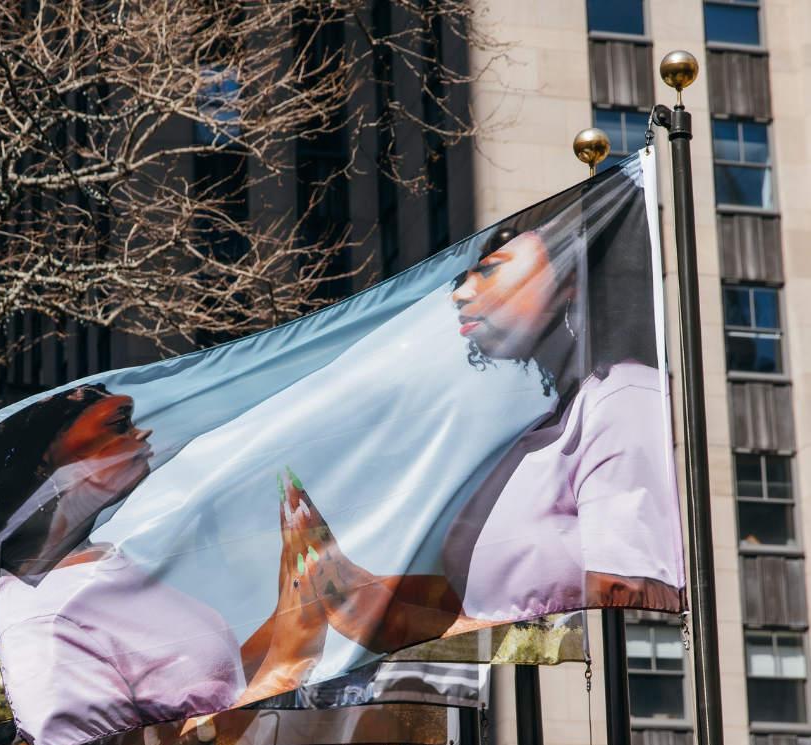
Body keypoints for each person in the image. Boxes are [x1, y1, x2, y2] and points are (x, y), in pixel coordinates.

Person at [277, 172, 684, 658]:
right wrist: (360, 591)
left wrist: (399, 622)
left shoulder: (626, 397)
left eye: (490, 270)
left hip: (590, 720)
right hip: (501, 723)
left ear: (570, 281)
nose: (460, 294)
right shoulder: (541, 429)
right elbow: (484, 607)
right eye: (465, 275)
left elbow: (628, 599)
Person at [0, 385, 327, 745]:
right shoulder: (41, 620)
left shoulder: (102, 558)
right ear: (46, 459)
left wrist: (296, 606)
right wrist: (286, 664)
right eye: (119, 424)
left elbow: (210, 690)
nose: (143, 432)